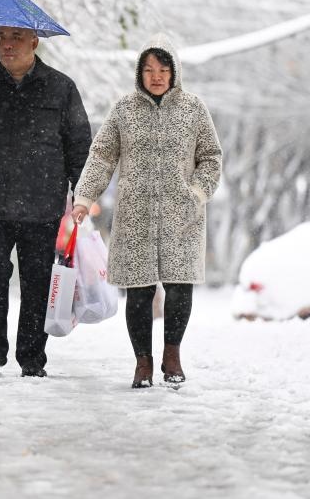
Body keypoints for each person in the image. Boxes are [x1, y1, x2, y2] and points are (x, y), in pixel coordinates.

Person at [72, 34, 222, 388]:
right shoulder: (124, 109)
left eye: (163, 69)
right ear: (139, 73)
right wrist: (84, 197)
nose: (156, 76)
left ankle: (172, 356)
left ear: (175, 71)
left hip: (181, 216)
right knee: (139, 291)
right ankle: (143, 362)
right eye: (149, 69)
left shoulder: (193, 108)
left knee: (179, 287)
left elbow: (211, 158)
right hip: (135, 216)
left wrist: (197, 193)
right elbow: (102, 155)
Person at [0, 26, 92, 377]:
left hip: (42, 202)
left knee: (37, 280)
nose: (6, 44)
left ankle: (31, 358)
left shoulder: (61, 87)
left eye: (15, 38)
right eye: (0, 38)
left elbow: (78, 143)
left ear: (34, 42)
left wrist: (81, 194)